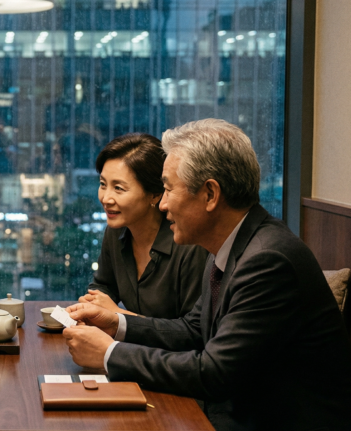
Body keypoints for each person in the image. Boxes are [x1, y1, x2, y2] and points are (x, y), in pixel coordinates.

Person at [63, 119, 351, 430]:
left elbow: (214, 374)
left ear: (210, 194)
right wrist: (117, 322)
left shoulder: (267, 260)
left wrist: (110, 354)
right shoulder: (231, 246)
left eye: (169, 189)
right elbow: (193, 330)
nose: (162, 203)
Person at [80, 133, 208, 318]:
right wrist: (93, 303)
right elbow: (104, 285)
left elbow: (193, 331)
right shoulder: (116, 231)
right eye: (102, 184)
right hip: (131, 345)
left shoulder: (188, 244)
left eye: (119, 188)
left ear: (155, 195)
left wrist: (118, 317)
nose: (106, 198)